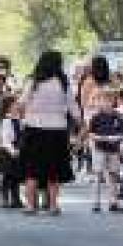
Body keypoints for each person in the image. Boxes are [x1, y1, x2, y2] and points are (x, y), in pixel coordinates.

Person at [19, 50, 80, 216]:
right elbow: (72, 105)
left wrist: (24, 116)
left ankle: (31, 205)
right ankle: (53, 205)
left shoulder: (33, 81)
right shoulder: (62, 82)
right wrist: (80, 122)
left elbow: (22, 102)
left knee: (32, 169)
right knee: (54, 170)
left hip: (33, 129)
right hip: (57, 130)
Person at [88, 88, 123, 212]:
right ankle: (96, 201)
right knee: (98, 174)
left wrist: (116, 138)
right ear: (99, 102)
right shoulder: (96, 117)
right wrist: (99, 137)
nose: (105, 103)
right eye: (102, 100)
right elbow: (90, 133)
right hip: (99, 148)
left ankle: (113, 201)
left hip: (113, 149)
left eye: (108, 100)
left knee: (113, 174)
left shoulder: (118, 117)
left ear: (113, 101)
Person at [0, 95, 24, 209]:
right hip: (8, 151)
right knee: (7, 176)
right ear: (8, 107)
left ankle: (16, 198)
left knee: (16, 177)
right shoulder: (7, 121)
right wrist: (12, 151)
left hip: (17, 150)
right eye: (15, 104)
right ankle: (4, 198)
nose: (17, 105)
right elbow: (5, 139)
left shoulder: (19, 120)